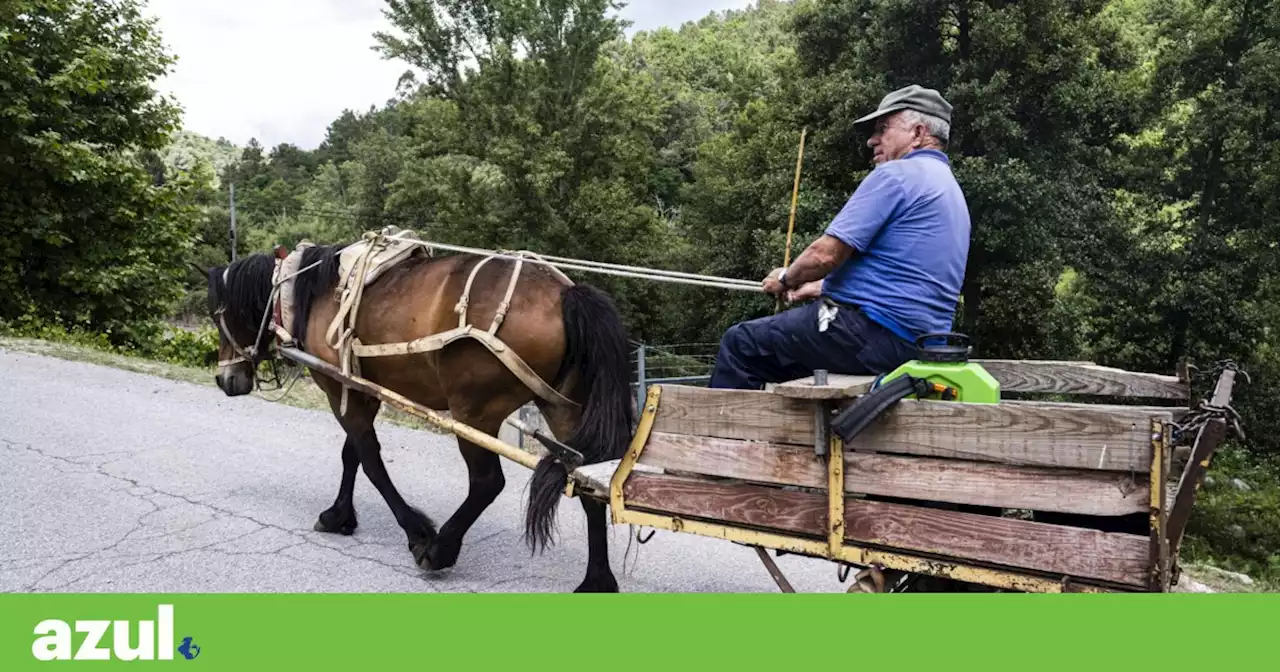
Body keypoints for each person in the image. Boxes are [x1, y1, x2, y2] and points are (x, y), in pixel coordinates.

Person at [708, 84, 971, 390]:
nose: (872, 140)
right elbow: (899, 279)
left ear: (917, 133)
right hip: (920, 344)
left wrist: (785, 278)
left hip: (873, 334)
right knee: (784, 354)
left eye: (883, 129)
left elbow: (825, 255)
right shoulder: (949, 191)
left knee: (742, 344)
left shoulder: (897, 176)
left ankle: (725, 437)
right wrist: (817, 288)